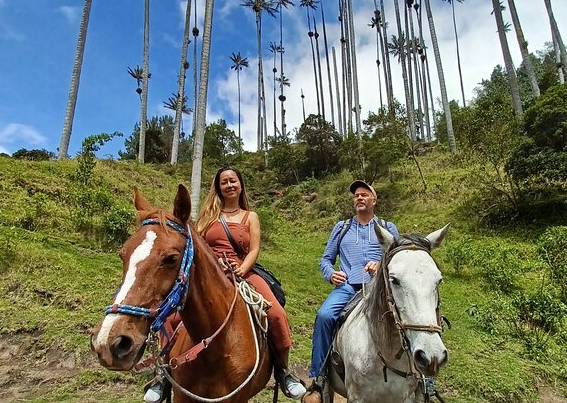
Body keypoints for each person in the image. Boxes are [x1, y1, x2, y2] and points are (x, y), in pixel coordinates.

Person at [144, 166, 306, 402]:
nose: (229, 185)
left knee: (276, 315)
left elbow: (254, 249)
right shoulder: (208, 216)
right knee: (169, 317)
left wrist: (243, 267)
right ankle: (163, 374)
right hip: (208, 273)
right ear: (218, 188)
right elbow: (195, 244)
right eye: (224, 182)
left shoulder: (250, 216)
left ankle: (283, 371)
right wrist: (211, 262)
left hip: (242, 270)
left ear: (240, 185)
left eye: (233, 181)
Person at [302, 180, 400, 403]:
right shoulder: (342, 227)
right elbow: (326, 259)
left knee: (406, 316)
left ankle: (424, 381)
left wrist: (380, 262)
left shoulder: (388, 227)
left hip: (379, 288)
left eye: (364, 195)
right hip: (347, 287)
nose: (359, 198)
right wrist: (330, 274)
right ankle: (319, 378)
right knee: (324, 316)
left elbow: (397, 257)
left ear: (374, 200)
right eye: (356, 195)